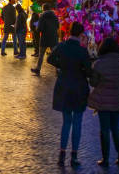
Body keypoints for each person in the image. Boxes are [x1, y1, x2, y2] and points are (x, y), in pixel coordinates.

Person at [47, 21, 92, 168]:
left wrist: (62, 66)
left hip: (64, 86)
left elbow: (50, 58)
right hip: (78, 88)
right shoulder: (82, 50)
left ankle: (61, 154)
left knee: (66, 122)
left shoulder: (62, 46)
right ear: (80, 34)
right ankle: (74, 156)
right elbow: (89, 71)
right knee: (77, 122)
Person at [88, 38, 119, 168]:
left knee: (104, 130)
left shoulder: (99, 64)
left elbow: (93, 82)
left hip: (102, 100)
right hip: (118, 99)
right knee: (116, 128)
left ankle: (105, 159)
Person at [31, 3, 60, 76]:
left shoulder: (42, 17)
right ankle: (58, 69)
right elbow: (58, 26)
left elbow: (39, 28)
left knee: (41, 55)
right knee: (55, 54)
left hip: (45, 38)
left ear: (43, 9)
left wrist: (36, 28)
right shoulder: (55, 16)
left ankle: (38, 69)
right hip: (53, 37)